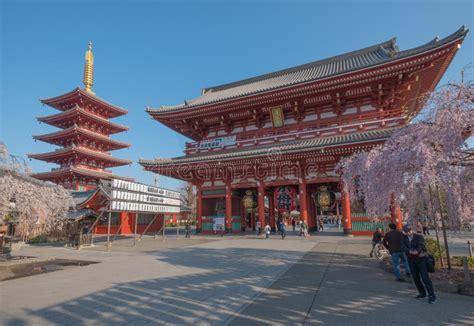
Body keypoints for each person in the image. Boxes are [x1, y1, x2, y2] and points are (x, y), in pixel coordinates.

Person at [402, 225, 437, 304]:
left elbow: (422, 245)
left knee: (425, 278)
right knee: (416, 278)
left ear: (412, 230)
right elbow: (403, 248)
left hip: (421, 260)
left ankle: (432, 295)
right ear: (405, 232)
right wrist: (409, 251)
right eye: (407, 231)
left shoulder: (418, 237)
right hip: (411, 260)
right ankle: (422, 293)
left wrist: (417, 251)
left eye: (410, 230)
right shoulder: (404, 239)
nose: (409, 232)